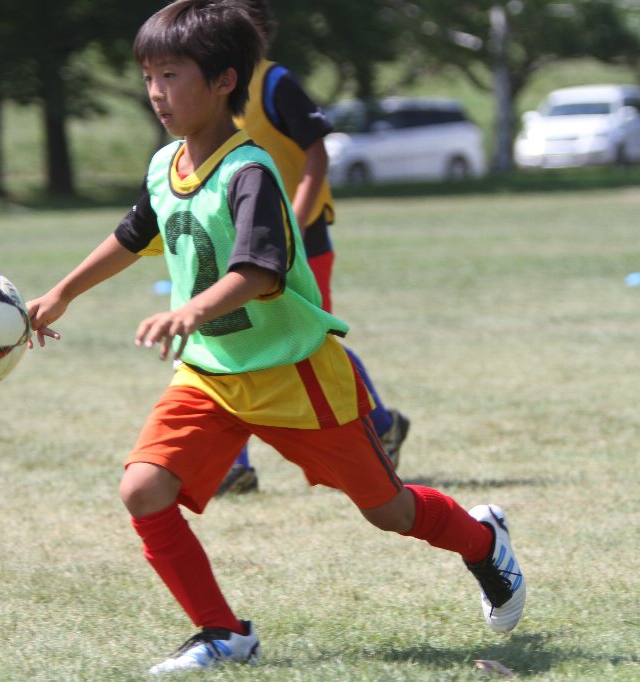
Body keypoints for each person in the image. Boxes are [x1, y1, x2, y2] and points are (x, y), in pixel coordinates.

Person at [27, 0, 526, 674]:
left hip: (294, 375)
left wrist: (191, 310)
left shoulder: (249, 172)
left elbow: (259, 271)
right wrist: (62, 292)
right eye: (148, 77)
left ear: (224, 81)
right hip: (211, 375)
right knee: (143, 489)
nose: (156, 93)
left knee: (389, 510)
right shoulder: (164, 165)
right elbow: (132, 235)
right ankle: (222, 632)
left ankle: (482, 541)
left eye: (171, 75)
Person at [215, 0, 409, 496]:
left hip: (300, 238)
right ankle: (234, 465)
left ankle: (381, 424)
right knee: (229, 335)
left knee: (311, 340)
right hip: (236, 239)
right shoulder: (209, 86)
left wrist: (291, 232)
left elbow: (316, 156)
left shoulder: (275, 82)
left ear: (259, 30)